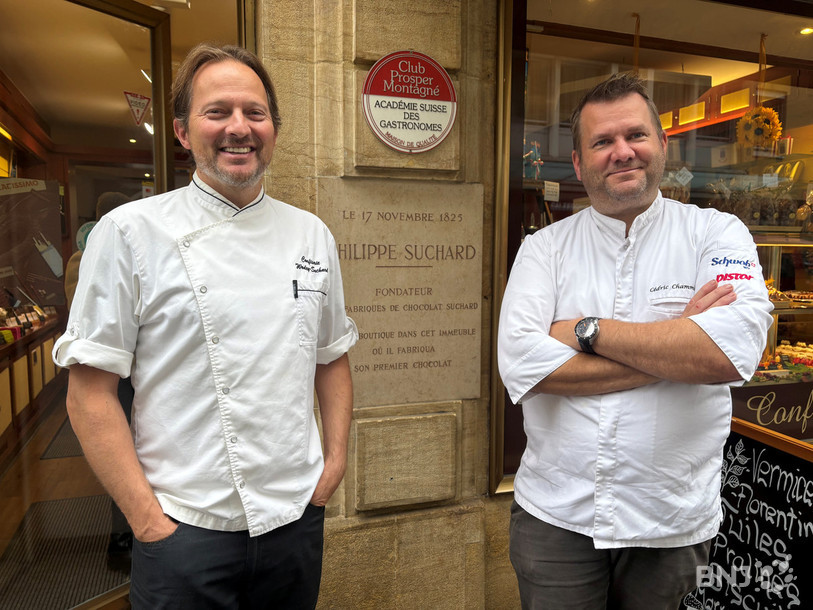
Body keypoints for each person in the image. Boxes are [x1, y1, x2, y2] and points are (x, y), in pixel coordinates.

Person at [53, 43, 358, 609]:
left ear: (273, 128)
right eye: (217, 112)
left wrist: (334, 463)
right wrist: (147, 521)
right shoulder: (129, 232)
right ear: (182, 131)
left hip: (294, 522)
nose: (238, 128)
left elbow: (332, 355)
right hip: (184, 530)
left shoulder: (311, 234)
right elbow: (89, 396)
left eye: (255, 112)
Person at [497, 72, 774, 610]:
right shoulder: (544, 250)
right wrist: (675, 350)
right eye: (602, 142)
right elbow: (523, 367)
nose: (622, 152)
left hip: (669, 517)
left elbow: (729, 352)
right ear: (579, 163)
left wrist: (586, 332)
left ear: (661, 145)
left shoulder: (717, 233)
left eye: (635, 136)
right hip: (557, 513)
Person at [63, 190, 135, 574]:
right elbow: (86, 319)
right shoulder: (84, 257)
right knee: (120, 448)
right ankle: (122, 539)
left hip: (140, 375)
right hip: (114, 373)